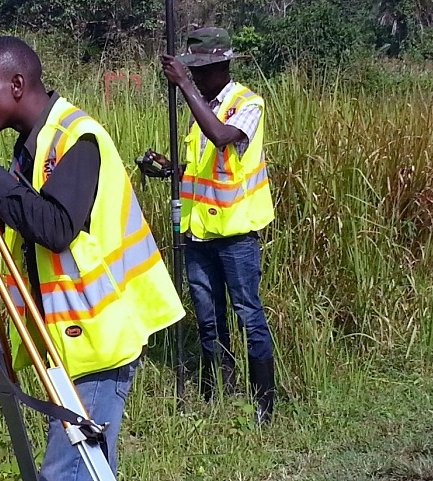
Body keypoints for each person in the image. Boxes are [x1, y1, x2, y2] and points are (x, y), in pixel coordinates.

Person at [0, 36, 185, 481]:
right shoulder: (34, 146)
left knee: (67, 470)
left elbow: (55, 229)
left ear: (16, 83)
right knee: (88, 469)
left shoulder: (78, 138)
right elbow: (0, 227)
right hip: (67, 337)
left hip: (99, 337)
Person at [152, 26, 277, 425]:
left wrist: (185, 86)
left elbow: (223, 137)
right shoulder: (201, 109)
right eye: (193, 72)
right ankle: (215, 388)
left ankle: (263, 403)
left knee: (248, 314)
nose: (198, 78)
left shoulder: (248, 103)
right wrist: (171, 168)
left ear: (222, 66)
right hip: (198, 234)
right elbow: (203, 166)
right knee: (208, 316)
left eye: (201, 72)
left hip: (236, 235)